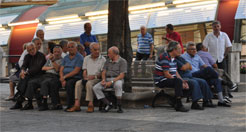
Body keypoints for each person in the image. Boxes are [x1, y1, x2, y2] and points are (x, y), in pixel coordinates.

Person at [181, 42, 230, 107]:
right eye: (192, 49)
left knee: (216, 80)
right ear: (187, 50)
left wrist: (211, 73)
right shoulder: (183, 57)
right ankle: (221, 79)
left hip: (199, 74)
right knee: (208, 69)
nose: (194, 51)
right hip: (191, 75)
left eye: (195, 49)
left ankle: (221, 101)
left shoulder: (197, 56)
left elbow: (204, 66)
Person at [67, 43, 106, 112]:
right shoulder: (86, 58)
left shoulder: (103, 59)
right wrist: (85, 76)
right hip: (87, 78)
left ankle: (90, 104)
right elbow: (84, 70)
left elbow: (103, 73)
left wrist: (94, 76)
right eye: (95, 50)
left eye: (98, 50)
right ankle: (77, 105)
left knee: (89, 84)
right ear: (91, 50)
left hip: (97, 78)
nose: (97, 51)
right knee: (78, 83)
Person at [154, 41, 189, 112]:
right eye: (179, 48)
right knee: (178, 81)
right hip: (161, 80)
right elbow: (166, 74)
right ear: (173, 50)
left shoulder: (174, 58)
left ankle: (174, 100)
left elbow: (175, 72)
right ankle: (178, 105)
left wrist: (183, 81)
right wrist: (179, 82)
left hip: (169, 79)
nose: (181, 50)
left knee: (189, 83)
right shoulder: (164, 57)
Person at [10, 42, 46, 110]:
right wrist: (22, 72)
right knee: (23, 78)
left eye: (33, 49)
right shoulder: (27, 56)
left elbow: (37, 68)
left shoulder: (41, 55)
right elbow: (24, 65)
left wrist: (26, 72)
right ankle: (22, 102)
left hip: (40, 76)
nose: (32, 51)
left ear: (35, 48)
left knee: (29, 82)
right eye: (29, 50)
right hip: (30, 75)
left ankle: (21, 101)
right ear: (27, 51)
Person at [93, 46, 127, 113]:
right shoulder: (107, 61)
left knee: (118, 85)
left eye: (109, 53)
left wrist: (111, 82)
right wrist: (103, 80)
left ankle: (119, 105)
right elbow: (104, 71)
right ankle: (108, 104)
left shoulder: (122, 61)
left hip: (117, 79)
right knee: (96, 88)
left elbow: (122, 75)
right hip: (107, 79)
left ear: (114, 53)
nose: (108, 55)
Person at [37, 46, 63, 111]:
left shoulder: (63, 60)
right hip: (47, 75)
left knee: (45, 82)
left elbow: (57, 69)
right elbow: (43, 68)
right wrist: (51, 67)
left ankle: (45, 102)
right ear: (52, 52)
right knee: (36, 81)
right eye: (55, 52)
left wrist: (53, 61)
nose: (56, 53)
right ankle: (43, 102)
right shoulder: (49, 59)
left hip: (55, 76)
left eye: (58, 52)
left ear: (61, 52)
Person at [60, 41, 84, 111]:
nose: (70, 48)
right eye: (69, 47)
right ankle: (56, 104)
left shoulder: (80, 57)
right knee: (53, 83)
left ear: (76, 48)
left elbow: (76, 71)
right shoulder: (65, 57)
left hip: (75, 77)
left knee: (69, 84)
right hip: (65, 78)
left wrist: (64, 77)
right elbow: (61, 69)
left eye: (72, 47)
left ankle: (70, 105)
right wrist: (62, 78)